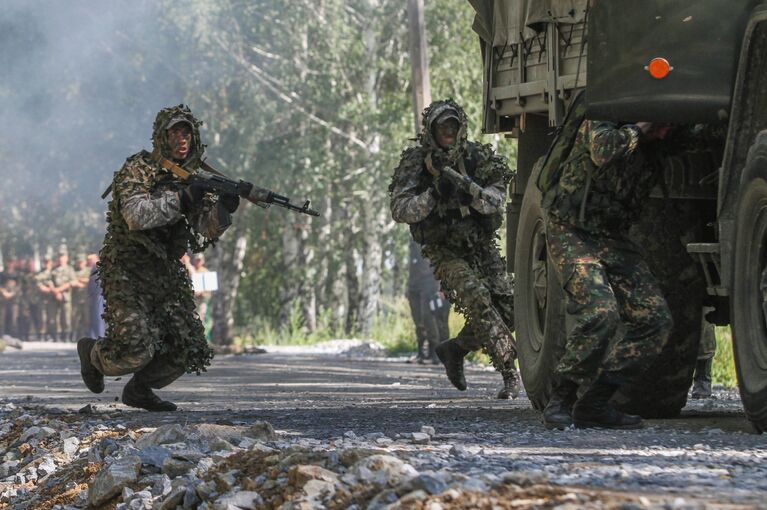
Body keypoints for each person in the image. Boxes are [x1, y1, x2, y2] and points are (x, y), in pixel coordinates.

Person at [77, 104, 239, 412]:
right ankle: (93, 354)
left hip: (165, 271)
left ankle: (139, 390)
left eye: (187, 133)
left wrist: (223, 210)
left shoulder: (196, 177)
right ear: (161, 137)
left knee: (188, 346)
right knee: (135, 350)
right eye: (175, 132)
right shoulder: (138, 169)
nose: (182, 140)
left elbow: (205, 229)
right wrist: (182, 198)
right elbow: (135, 215)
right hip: (127, 268)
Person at [541, 120, 675, 430]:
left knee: (655, 319)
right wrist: (641, 131)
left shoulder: (665, 135)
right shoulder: (603, 118)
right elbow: (602, 151)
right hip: (571, 230)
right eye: (662, 124)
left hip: (612, 236)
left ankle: (595, 403)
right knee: (601, 312)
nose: (665, 132)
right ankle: (562, 397)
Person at [390, 99, 519, 399]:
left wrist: (471, 192)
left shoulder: (478, 158)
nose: (448, 131)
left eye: (453, 125)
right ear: (431, 130)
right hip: (445, 249)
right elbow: (400, 208)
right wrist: (433, 194)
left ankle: (456, 349)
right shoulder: (416, 162)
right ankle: (510, 373)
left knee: (509, 309)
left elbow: (495, 199)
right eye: (442, 126)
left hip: (480, 244)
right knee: (478, 299)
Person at [406, 241, 442, 364]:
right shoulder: (413, 238)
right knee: (417, 320)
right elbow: (412, 263)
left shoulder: (429, 233)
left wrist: (438, 285)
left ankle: (434, 352)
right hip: (413, 284)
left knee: (428, 317)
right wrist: (408, 285)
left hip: (429, 283)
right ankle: (421, 352)